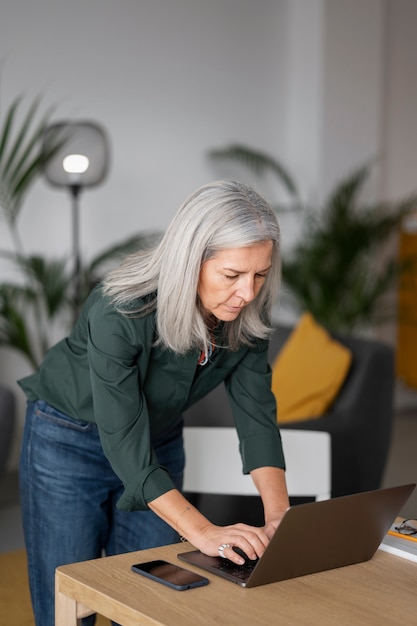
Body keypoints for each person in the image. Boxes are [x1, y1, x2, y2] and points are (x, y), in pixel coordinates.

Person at [18, 179, 289, 626]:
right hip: (67, 442)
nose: (248, 292)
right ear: (190, 262)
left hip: (158, 440)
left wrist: (280, 518)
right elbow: (125, 441)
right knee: (67, 605)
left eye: (260, 274)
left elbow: (257, 418)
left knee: (150, 601)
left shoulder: (244, 317)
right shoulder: (120, 308)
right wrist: (203, 531)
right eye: (232, 275)